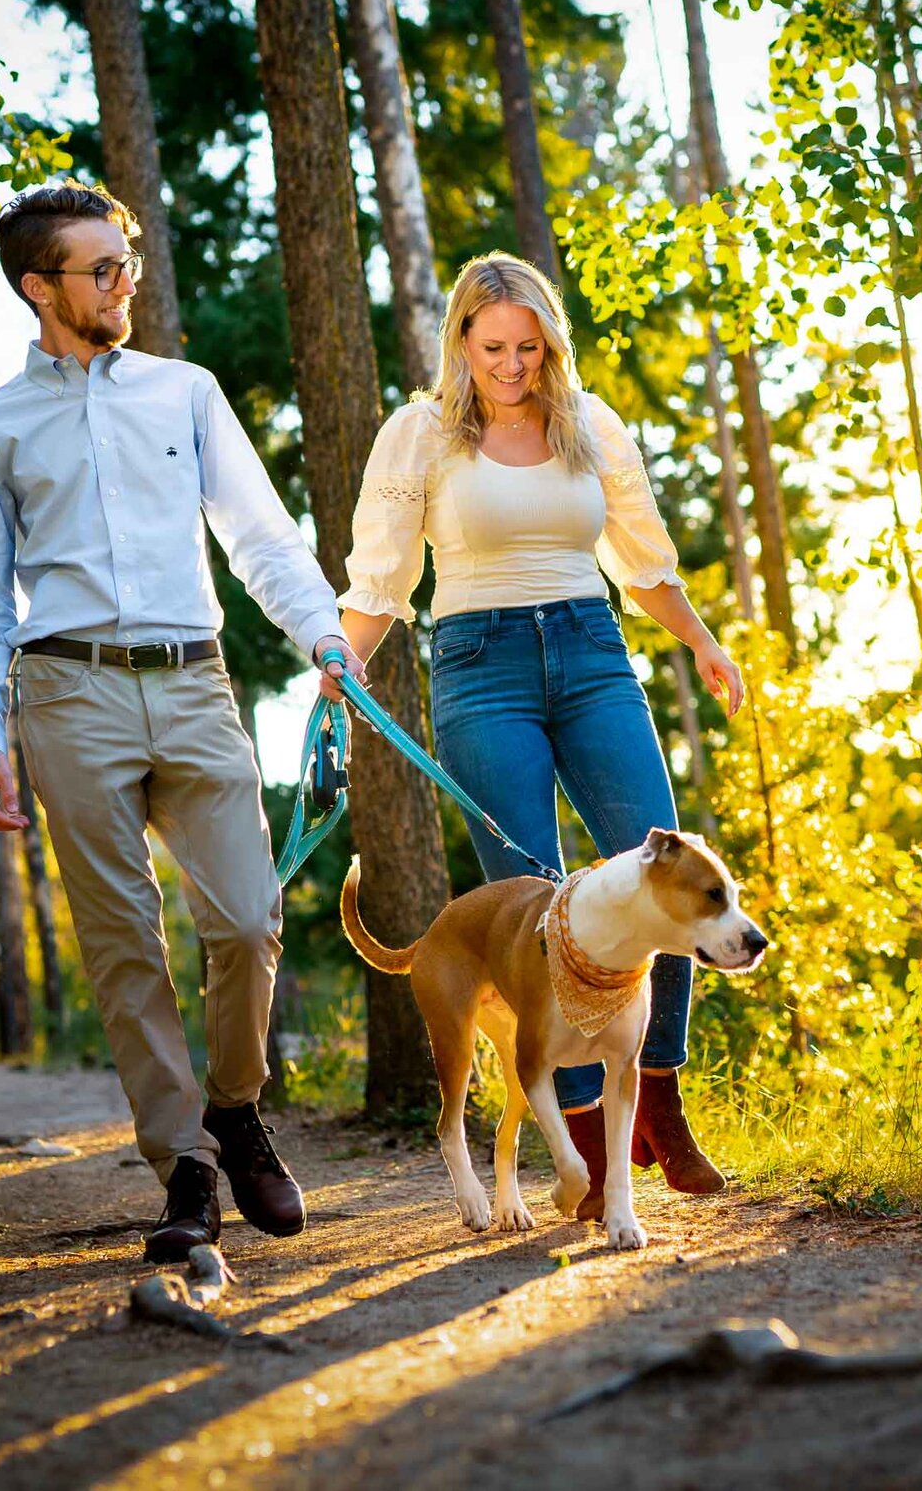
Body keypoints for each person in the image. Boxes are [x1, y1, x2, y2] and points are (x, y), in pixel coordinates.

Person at [0, 183, 367, 1261]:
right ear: (40, 287)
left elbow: (260, 536)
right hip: (67, 694)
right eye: (101, 269)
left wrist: (324, 637)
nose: (124, 283)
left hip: (193, 680)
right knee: (125, 944)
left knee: (246, 918)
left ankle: (234, 1105)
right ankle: (183, 1166)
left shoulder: (184, 392)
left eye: (127, 264)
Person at [335, 252, 746, 1216]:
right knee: (531, 893)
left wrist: (703, 642)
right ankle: (582, 1142)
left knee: (661, 860)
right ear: (461, 345)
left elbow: (640, 562)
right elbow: (383, 577)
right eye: (492, 349)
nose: (512, 366)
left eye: (529, 347)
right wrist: (338, 665)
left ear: (550, 342)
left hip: (592, 648)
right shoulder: (422, 434)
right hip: (480, 668)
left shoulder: (589, 423)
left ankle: (658, 1099)